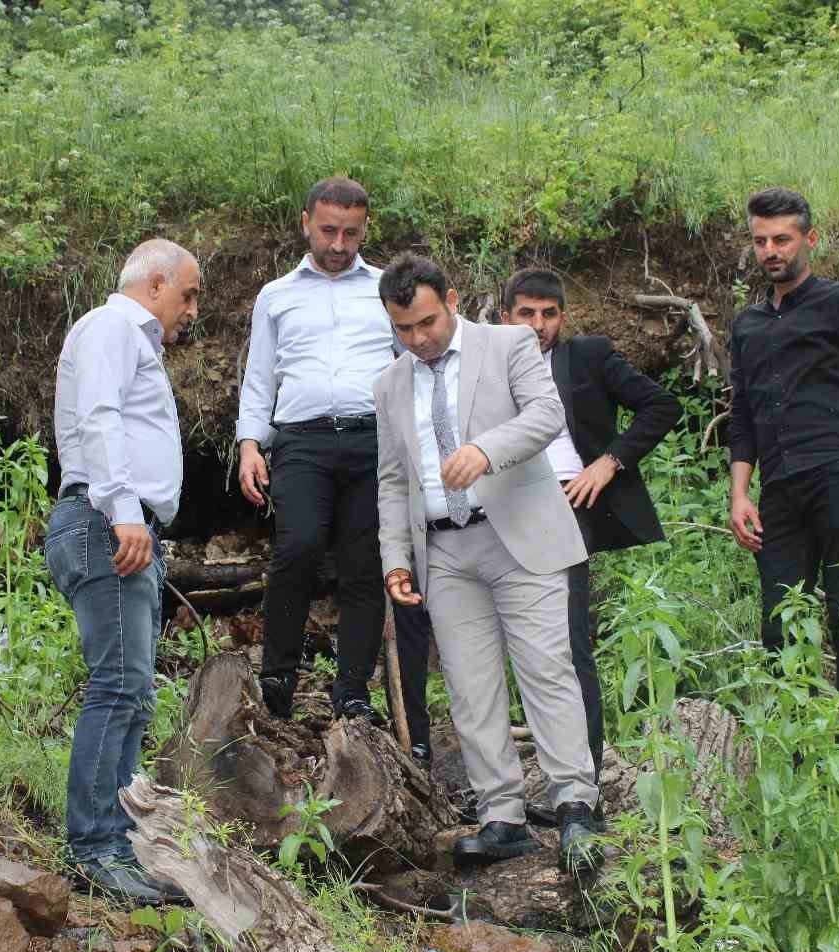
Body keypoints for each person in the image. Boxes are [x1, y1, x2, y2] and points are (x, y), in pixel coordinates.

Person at [374, 253, 602, 872]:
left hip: (518, 535)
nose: (418, 339)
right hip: (444, 549)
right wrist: (395, 556)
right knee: (471, 688)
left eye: (426, 322)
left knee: (546, 669)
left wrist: (485, 450)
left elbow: (546, 416)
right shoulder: (389, 384)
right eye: (404, 329)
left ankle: (576, 803)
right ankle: (501, 814)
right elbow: (394, 480)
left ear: (451, 299)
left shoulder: (508, 344)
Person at [235, 177, 433, 759]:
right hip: (301, 439)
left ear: (364, 229)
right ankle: (278, 676)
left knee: (365, 564)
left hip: (376, 440)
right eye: (328, 230)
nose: (339, 243)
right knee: (296, 547)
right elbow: (260, 375)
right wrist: (251, 442)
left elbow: (415, 361)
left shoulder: (384, 290)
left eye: (350, 232)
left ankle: (351, 689)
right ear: (305, 223)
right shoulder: (275, 295)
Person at [46, 238, 201, 904]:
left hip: (119, 521)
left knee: (134, 690)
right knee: (118, 686)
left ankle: (123, 843)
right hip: (106, 521)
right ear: (157, 282)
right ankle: (95, 848)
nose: (193, 310)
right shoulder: (112, 326)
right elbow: (100, 416)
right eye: (189, 294)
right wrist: (126, 511)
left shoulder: (136, 342)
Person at [500, 267, 679, 791]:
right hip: (500, 508)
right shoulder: (482, 364)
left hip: (565, 504)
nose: (538, 325)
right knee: (512, 645)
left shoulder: (588, 355)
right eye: (526, 313)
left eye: (548, 314)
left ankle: (586, 783)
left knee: (569, 640)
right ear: (505, 315)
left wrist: (609, 462)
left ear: (563, 316)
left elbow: (661, 406)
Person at [727, 187, 839, 741]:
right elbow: (744, 413)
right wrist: (739, 495)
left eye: (782, 239)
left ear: (809, 239)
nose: (770, 250)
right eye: (760, 241)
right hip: (780, 486)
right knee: (779, 621)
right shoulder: (747, 324)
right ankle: (796, 747)